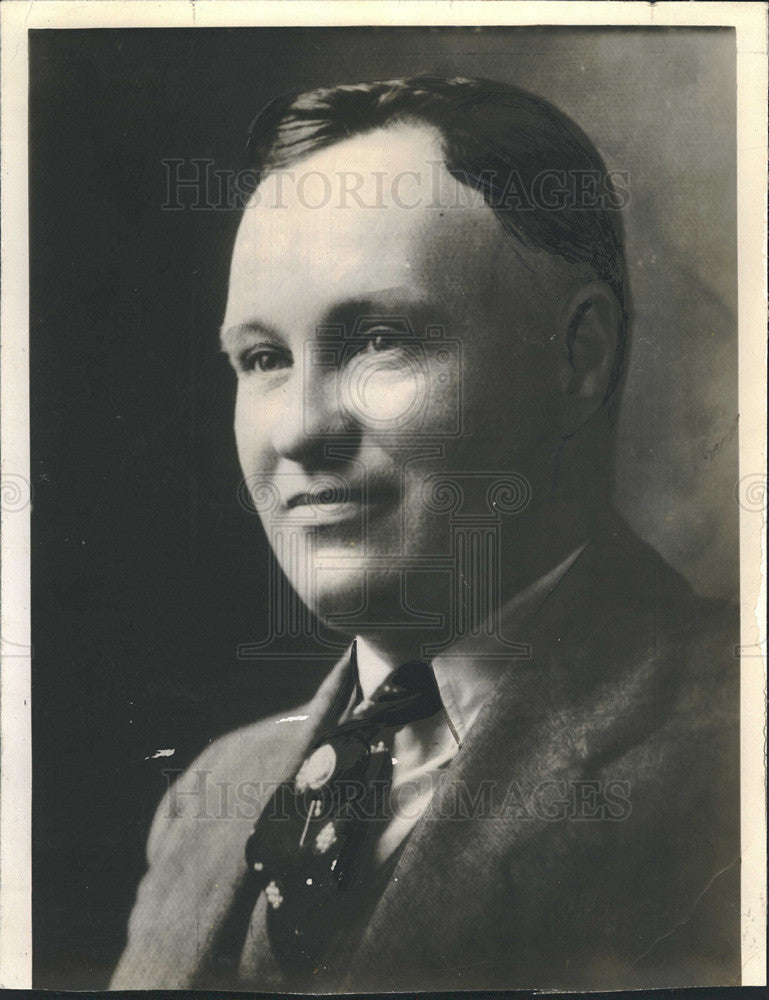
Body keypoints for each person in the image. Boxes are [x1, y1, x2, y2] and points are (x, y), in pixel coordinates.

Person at [110, 76, 739, 991]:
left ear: (580, 356)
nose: (297, 431)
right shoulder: (209, 801)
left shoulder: (732, 758)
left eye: (377, 340)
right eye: (262, 359)